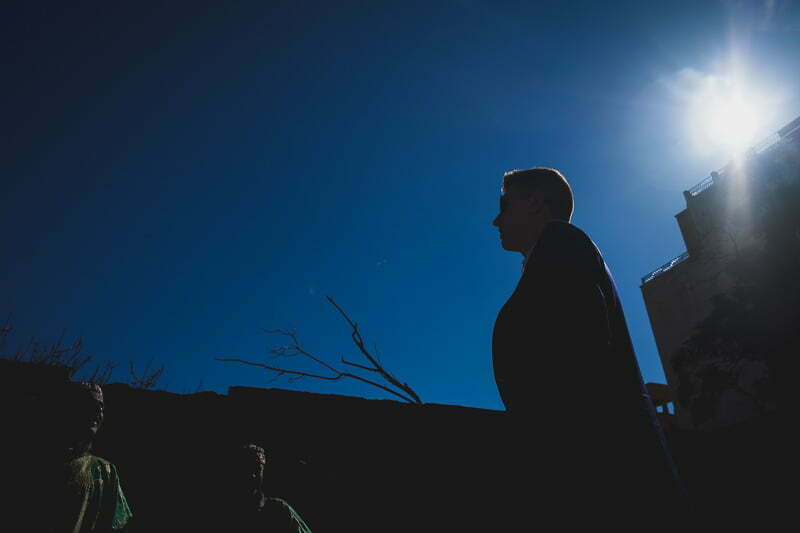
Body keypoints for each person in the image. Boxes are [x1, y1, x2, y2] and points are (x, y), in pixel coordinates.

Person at [491, 168, 686, 525]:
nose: (495, 220)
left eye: (505, 205)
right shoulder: (556, 252)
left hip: (599, 472)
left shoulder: (562, 244)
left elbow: (578, 355)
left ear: (534, 202)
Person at [46, 382, 134, 532]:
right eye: (90, 404)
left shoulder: (106, 471)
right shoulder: (45, 461)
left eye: (101, 407)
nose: (98, 412)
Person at [211, 443, 312, 532]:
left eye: (257, 469)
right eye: (246, 469)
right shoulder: (226, 514)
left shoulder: (280, 509)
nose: (252, 475)